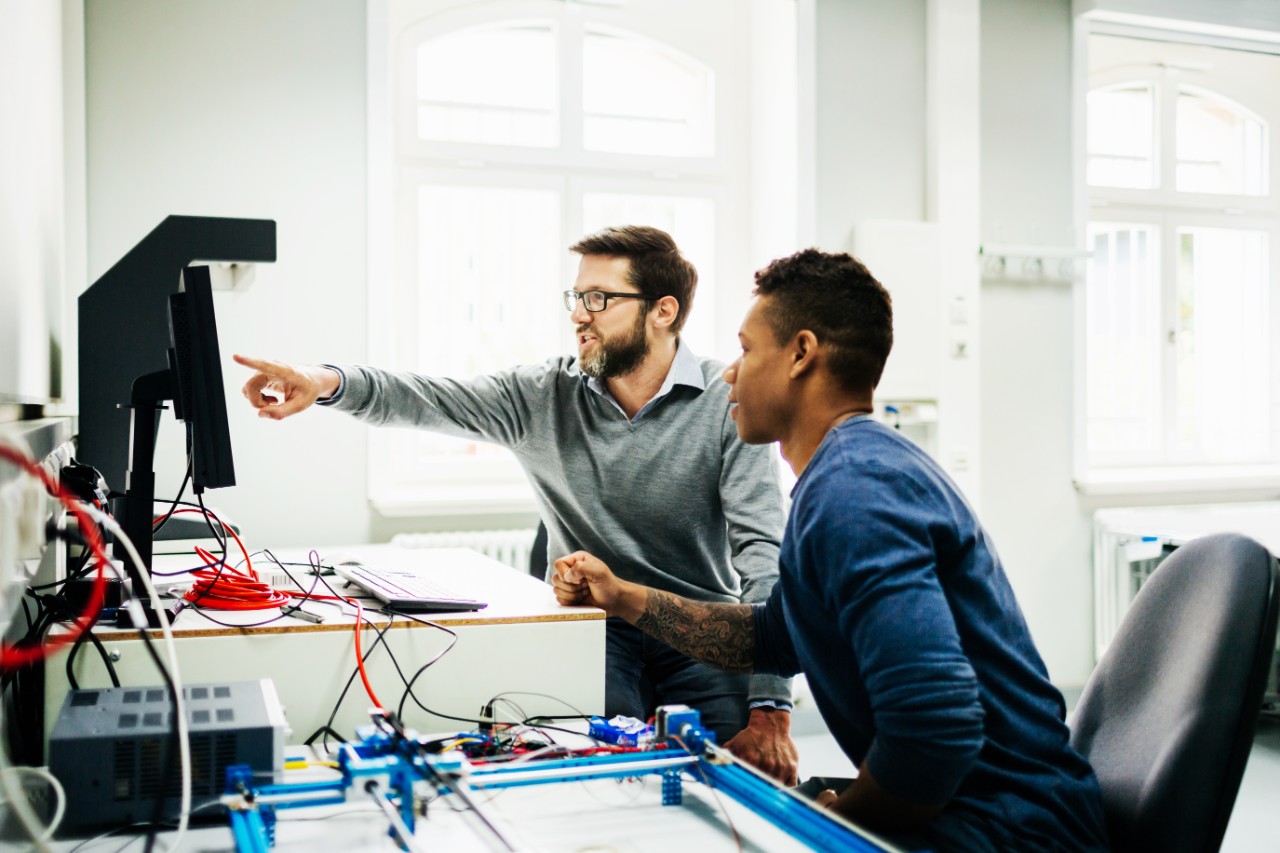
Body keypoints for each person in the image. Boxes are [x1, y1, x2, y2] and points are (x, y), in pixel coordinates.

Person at [552, 249, 1110, 851]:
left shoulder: (856, 491)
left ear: (801, 354)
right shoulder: (847, 474)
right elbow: (767, 638)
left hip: (1012, 829)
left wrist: (840, 817)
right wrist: (624, 597)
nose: (729, 374)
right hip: (971, 809)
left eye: (746, 350)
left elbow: (935, 728)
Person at [234, 226, 798, 782]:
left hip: (698, 627)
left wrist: (772, 707)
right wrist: (324, 381)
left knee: (736, 782)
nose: (579, 315)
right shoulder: (543, 395)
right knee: (599, 778)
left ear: (663, 311)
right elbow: (425, 397)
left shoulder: (730, 401)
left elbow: (762, 553)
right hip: (594, 628)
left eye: (599, 299)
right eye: (576, 297)